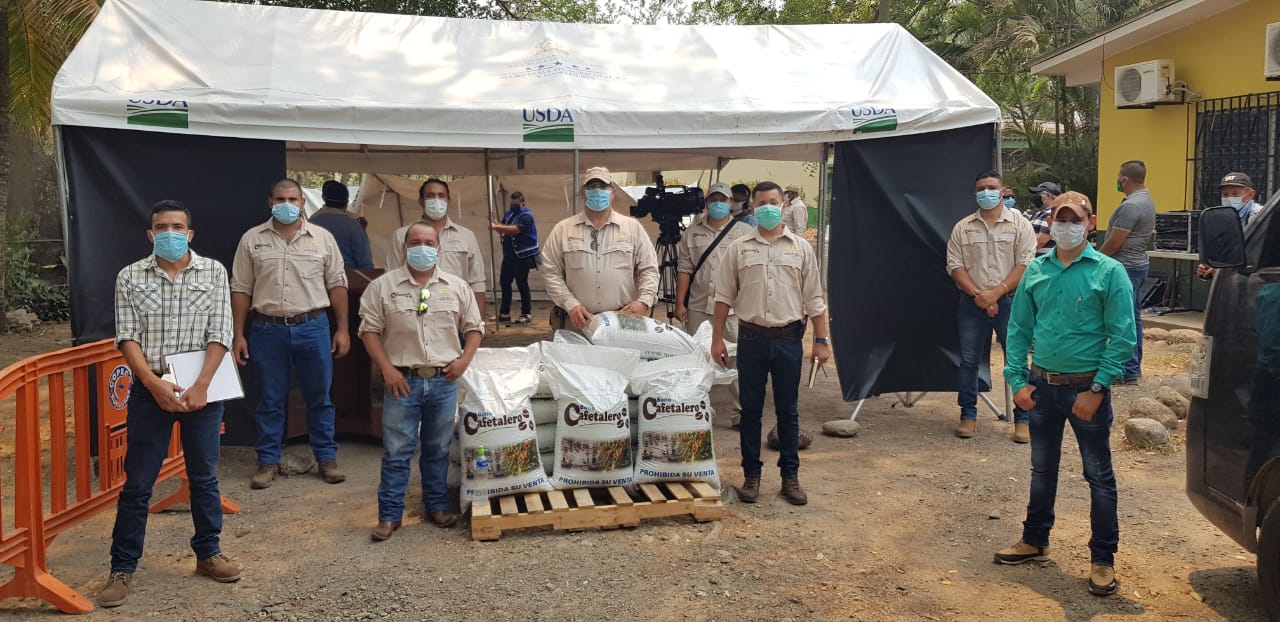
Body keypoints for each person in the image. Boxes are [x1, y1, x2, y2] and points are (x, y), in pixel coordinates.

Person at [995, 190, 1135, 598]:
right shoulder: (1037, 270)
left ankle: (1103, 559)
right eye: (1060, 218)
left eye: (1075, 219)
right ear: (1050, 221)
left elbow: (1123, 336)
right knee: (1042, 470)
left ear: (1091, 223)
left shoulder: (1109, 272)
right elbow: (1018, 329)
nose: (1067, 226)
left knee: (1099, 476)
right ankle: (1035, 540)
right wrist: (1017, 380)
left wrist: (1098, 387)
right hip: (1042, 388)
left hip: (1086, 391)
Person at [100, 200, 240, 607]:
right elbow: (127, 336)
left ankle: (209, 553)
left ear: (190, 233)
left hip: (202, 388)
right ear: (150, 234)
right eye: (161, 227)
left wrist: (202, 384)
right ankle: (122, 567)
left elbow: (221, 331)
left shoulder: (213, 271)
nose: (170, 233)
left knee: (204, 477)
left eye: (177, 226)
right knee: (138, 484)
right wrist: (151, 382)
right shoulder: (130, 276)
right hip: (151, 391)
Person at [710, 181, 831, 506]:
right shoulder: (739, 248)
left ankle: (790, 478)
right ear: (753, 206)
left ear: (783, 205)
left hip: (788, 340)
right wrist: (717, 339)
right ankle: (752, 476)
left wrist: (821, 340)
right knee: (750, 412)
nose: (767, 208)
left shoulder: (800, 248)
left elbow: (814, 298)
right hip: (750, 340)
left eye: (773, 202)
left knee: (788, 412)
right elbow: (723, 297)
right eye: (761, 203)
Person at [359, 222, 483, 539]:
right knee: (397, 450)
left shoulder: (457, 287)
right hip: (402, 381)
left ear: (438, 248)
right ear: (404, 247)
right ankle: (389, 515)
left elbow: (474, 328)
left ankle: (436, 506)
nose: (422, 248)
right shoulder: (383, 287)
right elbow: (369, 331)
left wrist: (464, 361)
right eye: (415, 242)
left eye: (429, 242)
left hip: (444, 381)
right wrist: (387, 369)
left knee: (438, 448)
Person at [231, 179, 350, 490]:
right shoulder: (252, 239)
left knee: (320, 397)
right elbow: (241, 288)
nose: (287, 204)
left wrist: (342, 329)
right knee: (270, 399)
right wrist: (238, 334)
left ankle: (327, 458)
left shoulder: (322, 239)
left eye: (293, 199)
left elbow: (337, 285)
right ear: (270, 202)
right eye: (281, 199)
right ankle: (268, 461)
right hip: (267, 329)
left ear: (302, 203)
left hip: (313, 326)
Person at [944, 171, 1037, 441]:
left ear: (1003, 190)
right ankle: (968, 416)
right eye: (982, 188)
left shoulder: (1020, 225)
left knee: (1016, 361)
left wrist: (996, 294)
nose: (987, 192)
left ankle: (1023, 419)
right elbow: (954, 265)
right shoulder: (963, 227)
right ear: (975, 194)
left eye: (992, 187)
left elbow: (1026, 264)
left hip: (1012, 303)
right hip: (971, 303)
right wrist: (979, 296)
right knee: (969, 361)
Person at [540, 166, 660, 330]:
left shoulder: (632, 228)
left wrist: (644, 302)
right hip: (578, 322)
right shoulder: (563, 230)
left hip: (622, 322)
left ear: (613, 192)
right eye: (591, 186)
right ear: (582, 193)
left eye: (603, 186)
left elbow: (649, 269)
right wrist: (570, 304)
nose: (597, 191)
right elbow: (550, 271)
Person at [675, 182, 753, 426]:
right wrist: (680, 303)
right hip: (699, 305)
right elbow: (684, 269)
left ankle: (741, 412)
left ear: (731, 203)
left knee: (737, 360)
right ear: (707, 202)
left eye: (723, 199)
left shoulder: (744, 232)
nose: (718, 203)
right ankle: (699, 409)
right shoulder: (692, 233)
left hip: (733, 309)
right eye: (713, 199)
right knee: (698, 358)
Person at [384, 179, 486, 312]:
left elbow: (477, 282)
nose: (436, 200)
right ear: (421, 201)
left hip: (456, 313)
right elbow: (391, 280)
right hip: (414, 313)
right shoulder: (401, 235)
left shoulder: (466, 236)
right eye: (430, 196)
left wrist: (479, 320)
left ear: (448, 200)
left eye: (441, 195)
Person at [1099, 161, 1156, 384]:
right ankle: (1130, 367)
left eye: (1118, 176)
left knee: (1124, 319)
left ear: (1124, 179)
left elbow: (1115, 243)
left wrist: (1095, 261)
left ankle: (1128, 369)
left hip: (1126, 267)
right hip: (1136, 265)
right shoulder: (1146, 200)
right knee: (1131, 317)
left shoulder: (1131, 206)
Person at [1197, 172, 1264, 280]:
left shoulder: (1258, 216)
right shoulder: (1223, 217)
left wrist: (1222, 271)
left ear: (1250, 194)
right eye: (1225, 194)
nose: (1229, 198)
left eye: (1235, 194)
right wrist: (1210, 266)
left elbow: (1254, 256)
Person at [488, 191, 539, 325]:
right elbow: (502, 229)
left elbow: (515, 230)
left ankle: (526, 313)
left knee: (522, 284)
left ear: (522, 203)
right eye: (512, 204)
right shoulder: (509, 214)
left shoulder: (527, 216)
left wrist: (496, 226)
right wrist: (494, 222)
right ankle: (504, 313)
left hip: (522, 255)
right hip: (509, 256)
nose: (513, 206)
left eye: (516, 204)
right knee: (504, 282)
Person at [309, 180, 373, 269]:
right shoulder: (353, 225)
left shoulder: (312, 222)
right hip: (347, 275)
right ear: (346, 202)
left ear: (324, 198)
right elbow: (365, 262)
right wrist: (362, 232)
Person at [1027, 181, 1062, 255]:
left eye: (1038, 194)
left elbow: (1041, 241)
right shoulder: (1040, 213)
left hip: (1044, 258)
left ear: (1048, 195)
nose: (1036, 197)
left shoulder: (1051, 213)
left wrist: (1023, 250)